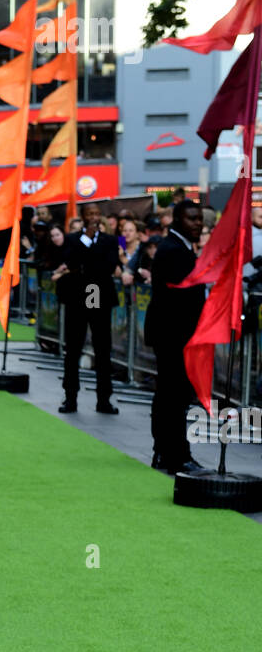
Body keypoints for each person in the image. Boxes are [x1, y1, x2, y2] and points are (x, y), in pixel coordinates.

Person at [144, 200, 208, 476]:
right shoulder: (175, 251)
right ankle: (177, 456)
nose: (199, 224)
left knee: (168, 395)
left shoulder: (177, 248)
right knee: (175, 396)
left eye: (200, 219)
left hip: (170, 333)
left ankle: (164, 451)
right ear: (178, 220)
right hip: (173, 335)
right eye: (192, 219)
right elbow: (181, 298)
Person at [59, 200, 130, 414]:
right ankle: (70, 397)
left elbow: (108, 266)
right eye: (90, 213)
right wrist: (86, 242)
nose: (94, 217)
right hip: (78, 298)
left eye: (97, 213)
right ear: (83, 216)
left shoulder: (110, 240)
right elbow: (71, 263)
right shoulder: (72, 239)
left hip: (99, 295)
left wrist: (86, 261)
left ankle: (104, 399)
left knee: (102, 349)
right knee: (73, 348)